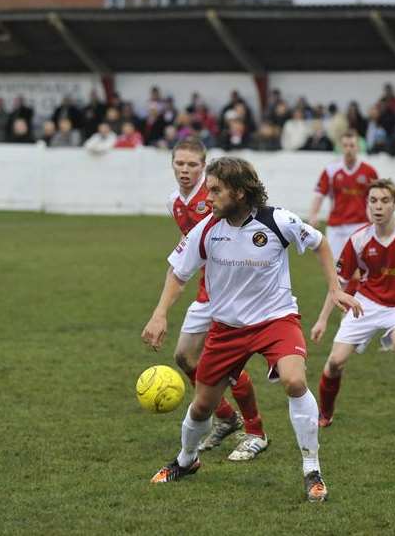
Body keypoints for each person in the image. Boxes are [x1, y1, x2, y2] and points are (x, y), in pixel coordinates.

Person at [142, 156, 362, 502]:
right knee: (202, 406)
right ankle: (186, 460)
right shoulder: (206, 229)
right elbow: (178, 272)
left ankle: (312, 469)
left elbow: (318, 241)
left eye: (216, 190)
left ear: (240, 192)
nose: (208, 197)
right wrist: (159, 314)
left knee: (294, 380)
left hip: (276, 321)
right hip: (227, 328)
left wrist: (335, 288)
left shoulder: (278, 220)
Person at [165, 138, 268, 461]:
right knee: (183, 356)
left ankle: (255, 430)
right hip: (206, 289)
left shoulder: (217, 197)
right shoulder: (175, 202)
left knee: (229, 366)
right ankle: (225, 417)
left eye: (192, 165)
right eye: (180, 164)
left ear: (204, 165)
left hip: (234, 291)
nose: (185, 170)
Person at [310, 180, 395, 437]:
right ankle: (325, 413)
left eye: (384, 201)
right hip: (366, 302)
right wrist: (322, 319)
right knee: (335, 362)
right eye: (373, 201)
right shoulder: (358, 239)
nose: (378, 206)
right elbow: (340, 284)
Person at [307, 129, 379, 259]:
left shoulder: (369, 171)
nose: (349, 149)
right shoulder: (331, 170)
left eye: (352, 145)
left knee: (360, 265)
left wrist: (376, 218)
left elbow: (377, 197)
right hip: (336, 226)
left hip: (360, 224)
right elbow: (319, 195)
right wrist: (313, 214)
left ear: (357, 147)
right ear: (341, 147)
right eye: (345, 146)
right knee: (336, 266)